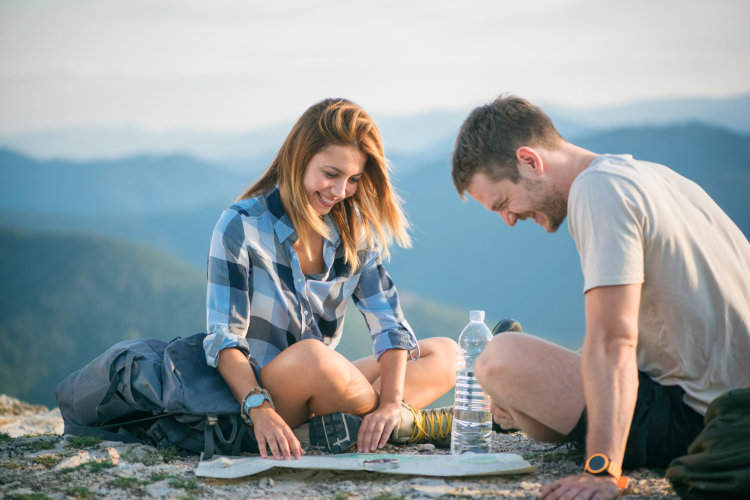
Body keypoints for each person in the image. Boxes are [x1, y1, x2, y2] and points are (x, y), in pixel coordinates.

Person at [450, 95, 750, 500]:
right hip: (729, 403)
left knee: (501, 357)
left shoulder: (598, 190)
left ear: (529, 160)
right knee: (514, 392)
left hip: (702, 418)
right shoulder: (656, 177)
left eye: (504, 202)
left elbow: (614, 340)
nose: (509, 219)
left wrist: (602, 469)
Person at [205, 98, 457, 462]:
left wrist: (388, 403)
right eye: (331, 174)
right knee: (312, 357)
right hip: (264, 394)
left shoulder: (354, 233)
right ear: (298, 159)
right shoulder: (240, 225)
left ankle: (381, 421)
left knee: (448, 354)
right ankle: (409, 423)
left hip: (327, 385)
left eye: (354, 179)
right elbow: (223, 338)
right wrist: (259, 410)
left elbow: (390, 326)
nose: (340, 192)